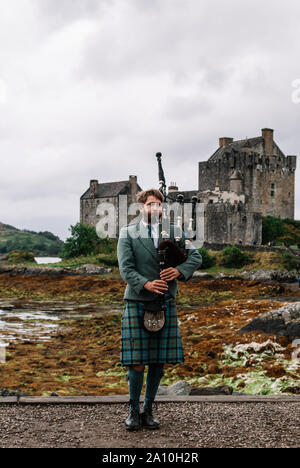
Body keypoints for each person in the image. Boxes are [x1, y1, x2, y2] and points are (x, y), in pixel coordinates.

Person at [117, 189, 202, 431]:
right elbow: (126, 268)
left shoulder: (174, 232)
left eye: (159, 205)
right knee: (136, 362)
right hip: (138, 300)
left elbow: (195, 257)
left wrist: (179, 271)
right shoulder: (128, 233)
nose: (155, 209)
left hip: (165, 301)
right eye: (151, 204)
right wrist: (146, 283)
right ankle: (133, 412)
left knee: (157, 362)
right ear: (142, 206)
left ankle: (148, 410)